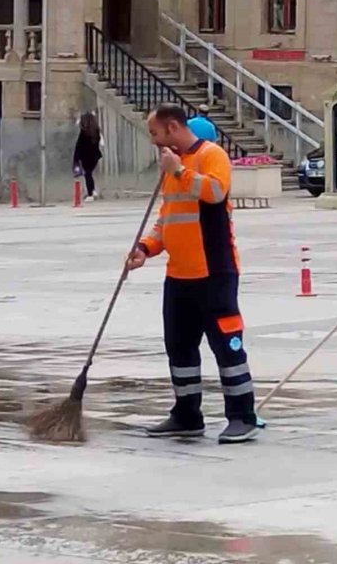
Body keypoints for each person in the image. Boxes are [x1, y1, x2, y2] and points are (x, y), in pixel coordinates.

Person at [126, 103, 259, 444]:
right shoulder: (173, 166)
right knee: (179, 347)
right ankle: (186, 414)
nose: (153, 140)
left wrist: (180, 172)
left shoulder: (210, 155)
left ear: (172, 128)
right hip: (179, 275)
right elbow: (168, 217)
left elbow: (215, 192)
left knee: (227, 347)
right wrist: (146, 247)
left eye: (155, 133)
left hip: (214, 271)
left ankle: (242, 415)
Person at [73, 112, 102, 202]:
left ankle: (91, 193)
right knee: (89, 174)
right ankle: (92, 190)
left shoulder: (84, 133)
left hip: (86, 156)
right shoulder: (96, 131)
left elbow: (79, 146)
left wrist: (76, 159)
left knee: (87, 174)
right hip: (94, 156)